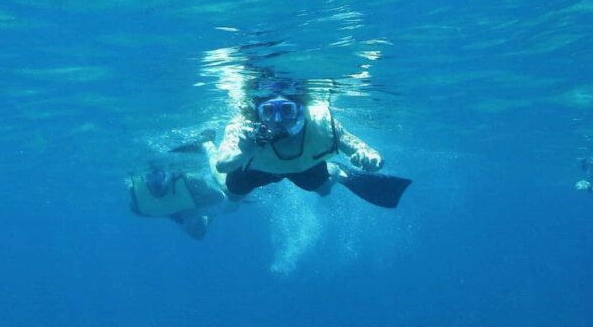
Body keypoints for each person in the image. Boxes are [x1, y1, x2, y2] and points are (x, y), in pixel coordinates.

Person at [214, 80, 411, 209]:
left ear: (300, 111)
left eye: (287, 110)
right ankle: (207, 146)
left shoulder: (319, 123)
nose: (277, 120)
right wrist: (244, 152)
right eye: (268, 112)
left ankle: (337, 172)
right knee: (231, 196)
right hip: (257, 166)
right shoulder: (243, 128)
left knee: (324, 191)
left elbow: (360, 148)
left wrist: (372, 159)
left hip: (303, 163)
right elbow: (222, 164)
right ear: (258, 114)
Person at [129, 140, 237, 240]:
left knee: (228, 202)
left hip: (195, 199)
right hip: (187, 199)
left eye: (159, 175)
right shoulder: (138, 199)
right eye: (150, 175)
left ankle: (208, 146)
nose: (155, 180)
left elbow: (225, 199)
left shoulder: (191, 182)